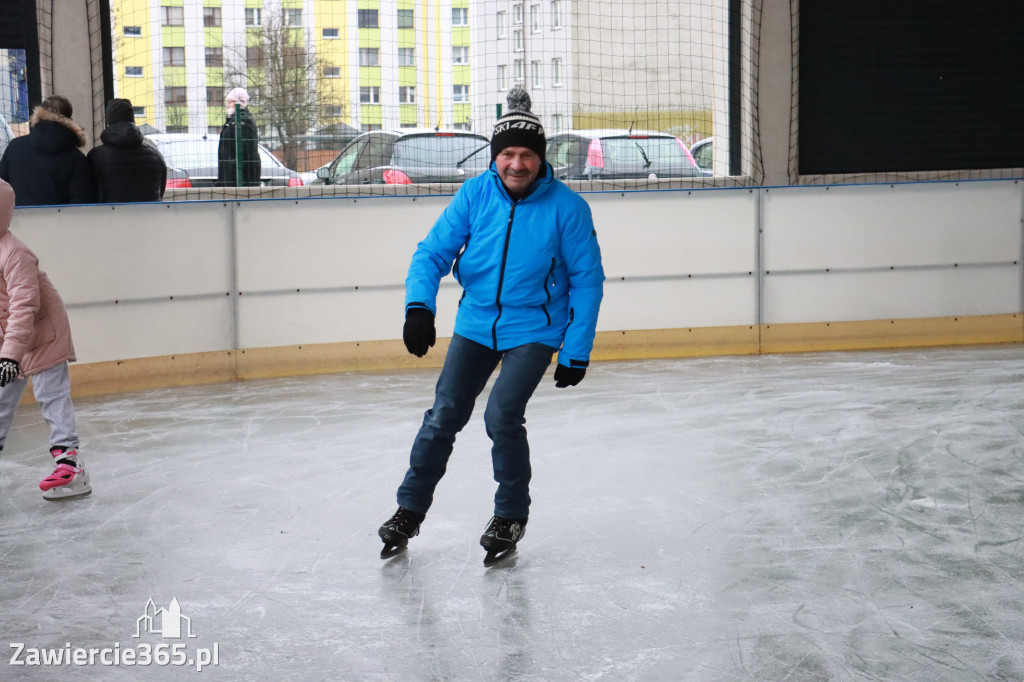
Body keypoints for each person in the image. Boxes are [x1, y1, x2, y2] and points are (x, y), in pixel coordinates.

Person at [378, 88, 605, 565]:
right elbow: (432, 253)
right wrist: (418, 307)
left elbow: (587, 281)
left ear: (540, 160)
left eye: (526, 155)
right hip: (476, 322)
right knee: (444, 415)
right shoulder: (475, 194)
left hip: (535, 329)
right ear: (495, 157)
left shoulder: (567, 208)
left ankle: (510, 515)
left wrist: (575, 349)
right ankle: (408, 509)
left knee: (501, 414)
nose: (516, 164)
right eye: (507, 154)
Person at [0, 179, 90, 500]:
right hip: (11, 339)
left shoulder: (15, 254)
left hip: (42, 334)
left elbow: (24, 306)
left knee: (51, 395)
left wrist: (10, 356)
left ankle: (70, 467)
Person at [0, 94, 93, 206]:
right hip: (60, 221)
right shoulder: (76, 159)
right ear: (70, 120)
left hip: (20, 220)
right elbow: (81, 203)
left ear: (38, 116)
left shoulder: (14, 147)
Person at [87, 98, 167, 202]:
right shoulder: (155, 155)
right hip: (150, 216)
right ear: (133, 119)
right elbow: (160, 192)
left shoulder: (96, 156)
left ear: (108, 121)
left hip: (110, 216)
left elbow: (91, 193)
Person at [216, 87, 260, 187]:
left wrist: (231, 173)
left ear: (238, 103)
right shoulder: (232, 121)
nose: (227, 105)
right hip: (230, 176)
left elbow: (245, 152)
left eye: (230, 102)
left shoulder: (243, 123)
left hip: (240, 179)